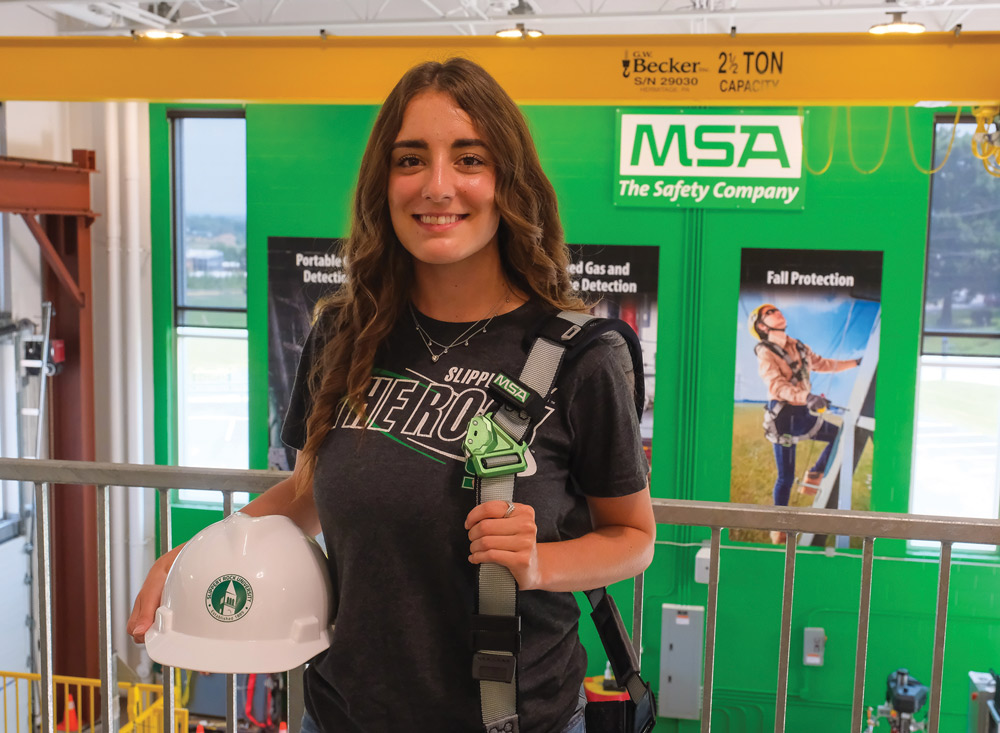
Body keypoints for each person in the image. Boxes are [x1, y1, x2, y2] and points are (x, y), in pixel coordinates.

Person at [127, 57, 655, 733]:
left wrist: (539, 562)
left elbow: (632, 536)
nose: (438, 185)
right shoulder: (344, 334)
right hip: (341, 714)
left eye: (469, 158)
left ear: (508, 182)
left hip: (517, 720)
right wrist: (196, 554)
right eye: (411, 160)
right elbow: (307, 491)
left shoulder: (582, 357)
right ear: (385, 183)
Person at [748, 303, 860, 542]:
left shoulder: (799, 345)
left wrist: (857, 363)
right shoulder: (765, 351)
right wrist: (805, 396)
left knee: (839, 435)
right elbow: (776, 385)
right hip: (784, 418)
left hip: (804, 414)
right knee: (786, 477)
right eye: (768, 313)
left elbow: (824, 364)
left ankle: (815, 473)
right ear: (761, 326)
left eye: (776, 310)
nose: (776, 313)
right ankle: (778, 526)